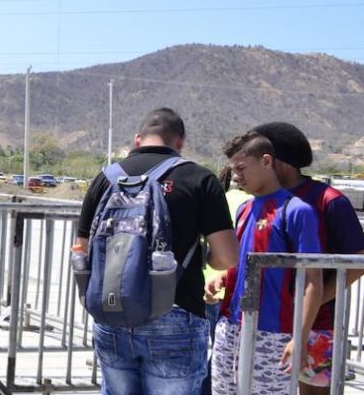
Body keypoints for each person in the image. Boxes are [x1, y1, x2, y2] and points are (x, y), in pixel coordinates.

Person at [75, 107, 239, 395]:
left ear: (138, 139)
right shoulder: (199, 179)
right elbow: (227, 256)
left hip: (112, 312)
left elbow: (82, 249)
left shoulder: (105, 179)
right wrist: (200, 257)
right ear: (180, 141)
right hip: (175, 312)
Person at [208, 131, 323, 395]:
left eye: (241, 167)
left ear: (267, 161)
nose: (236, 175)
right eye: (233, 168)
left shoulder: (297, 211)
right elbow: (246, 260)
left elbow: (312, 281)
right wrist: (224, 279)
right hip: (229, 328)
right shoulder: (244, 209)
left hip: (272, 334)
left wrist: (300, 337)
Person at [251, 122, 362, 394]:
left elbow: (359, 261)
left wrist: (311, 302)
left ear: (281, 162)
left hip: (317, 325)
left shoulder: (329, 200)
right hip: (268, 322)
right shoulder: (264, 200)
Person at [200, 165, 252, 395]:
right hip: (230, 289)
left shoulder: (218, 199)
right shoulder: (251, 204)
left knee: (208, 356)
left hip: (206, 284)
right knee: (226, 359)